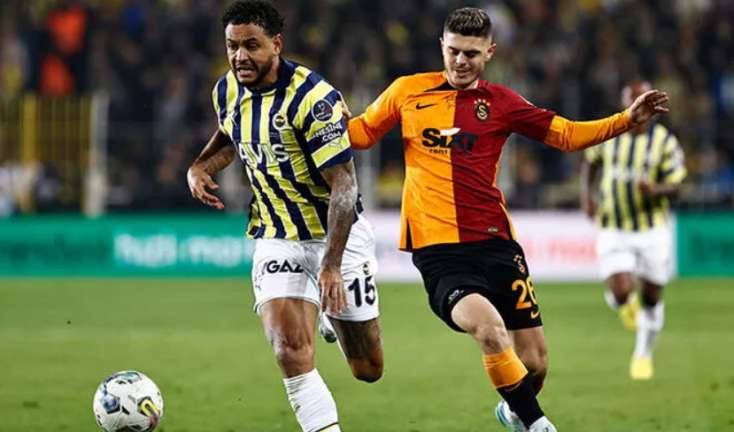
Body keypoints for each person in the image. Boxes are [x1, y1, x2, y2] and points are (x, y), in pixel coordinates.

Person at [346, 7, 669, 432]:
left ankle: (512, 411)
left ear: (490, 53)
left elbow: (565, 134)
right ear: (441, 46)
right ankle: (538, 425)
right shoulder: (407, 91)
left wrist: (625, 121)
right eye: (454, 51)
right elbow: (361, 134)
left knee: (534, 364)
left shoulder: (501, 102)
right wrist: (318, 122)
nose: (461, 61)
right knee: (489, 330)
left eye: (471, 54)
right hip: (440, 251)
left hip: (496, 244)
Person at [186, 2, 383, 431]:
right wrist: (199, 167)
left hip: (336, 237)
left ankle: (331, 318)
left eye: (251, 45)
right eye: (232, 46)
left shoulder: (314, 100)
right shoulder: (227, 90)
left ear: (276, 44)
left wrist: (331, 265)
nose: (240, 56)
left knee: (368, 367)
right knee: (290, 351)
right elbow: (232, 135)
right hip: (276, 236)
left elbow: (344, 186)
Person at [580, 80, 686, 380]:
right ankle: (622, 302)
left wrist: (655, 189)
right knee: (621, 291)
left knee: (651, 297)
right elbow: (590, 163)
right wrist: (587, 197)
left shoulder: (664, 142)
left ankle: (643, 354)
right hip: (613, 225)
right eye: (630, 100)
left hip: (651, 229)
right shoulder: (611, 135)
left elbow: (677, 187)